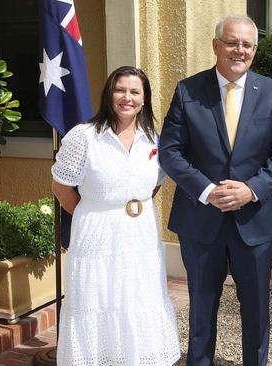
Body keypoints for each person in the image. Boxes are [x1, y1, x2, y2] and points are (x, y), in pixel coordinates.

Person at [158, 15, 272, 366]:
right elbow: (170, 151)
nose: (240, 50)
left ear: (254, 49)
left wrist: (251, 190)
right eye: (233, 42)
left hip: (255, 222)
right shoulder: (188, 90)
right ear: (216, 45)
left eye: (247, 44)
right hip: (200, 220)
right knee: (201, 312)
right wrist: (206, 191)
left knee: (256, 313)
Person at [51, 66, 180, 365]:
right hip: (96, 235)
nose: (127, 97)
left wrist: (131, 207)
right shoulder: (84, 137)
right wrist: (92, 213)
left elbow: (154, 184)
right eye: (120, 90)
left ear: (144, 98)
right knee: (97, 299)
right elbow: (61, 185)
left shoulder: (153, 138)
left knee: (136, 297)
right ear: (109, 94)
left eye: (135, 92)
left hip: (140, 235)